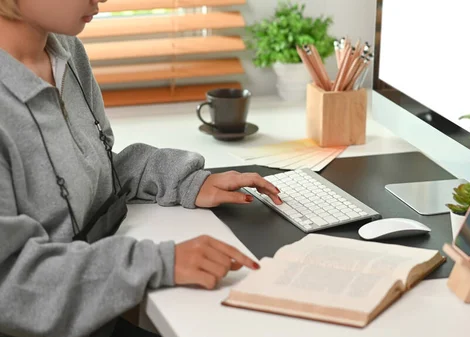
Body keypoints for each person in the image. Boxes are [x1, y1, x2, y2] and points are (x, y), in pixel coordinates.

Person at [0, 1, 283, 336]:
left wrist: (186, 181)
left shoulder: (66, 51)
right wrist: (157, 262)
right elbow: (10, 286)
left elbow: (97, 168)